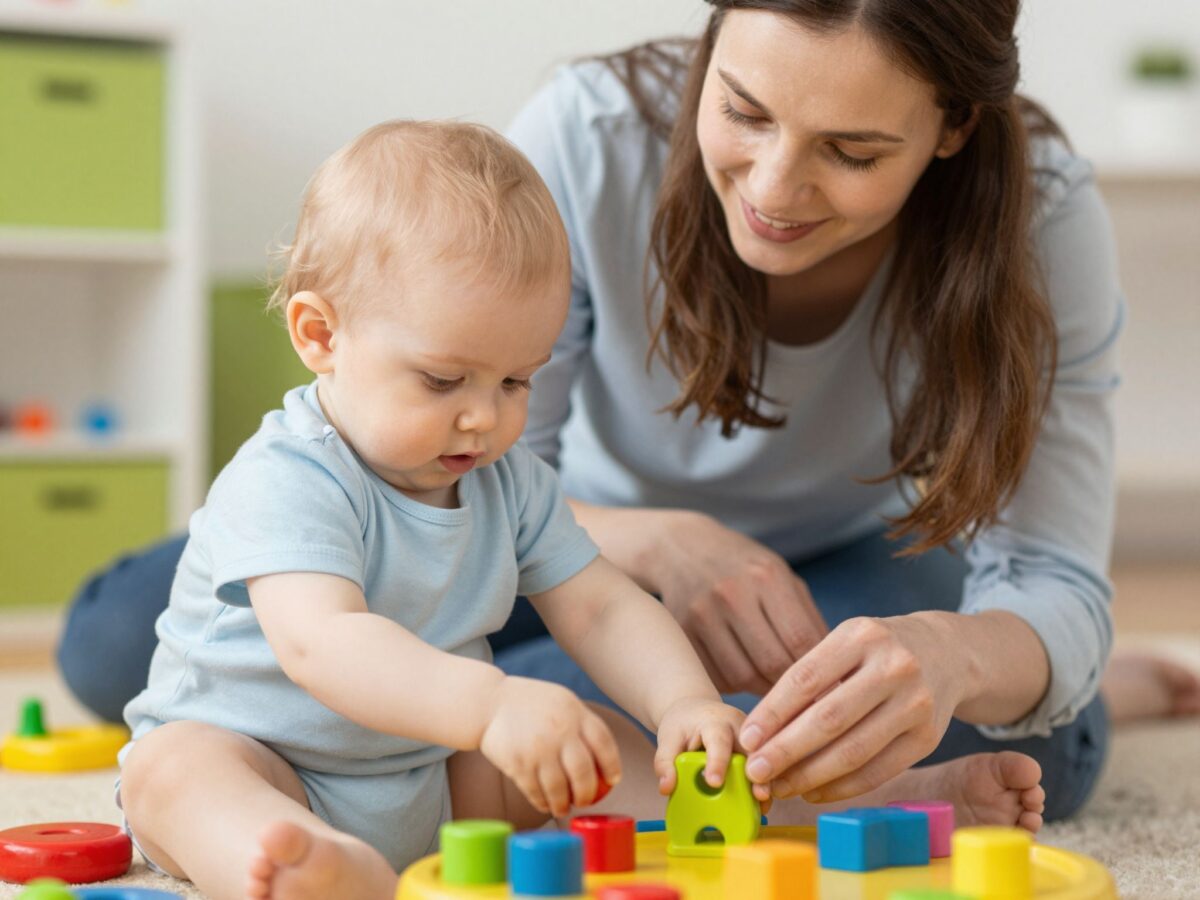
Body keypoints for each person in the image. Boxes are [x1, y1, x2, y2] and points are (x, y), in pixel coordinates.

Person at [59, 0, 1198, 826]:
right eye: (742, 110)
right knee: (141, 647)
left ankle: (1084, 695)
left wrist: (941, 655)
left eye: (852, 152)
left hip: (820, 573)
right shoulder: (590, 136)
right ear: (710, 44)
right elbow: (490, 467)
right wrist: (654, 549)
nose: (774, 189)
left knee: (1000, 736)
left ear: (950, 129)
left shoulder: (1039, 221)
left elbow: (1048, 578)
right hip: (525, 518)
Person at [116, 120, 754, 900]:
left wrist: (683, 701)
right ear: (321, 335)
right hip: (271, 764)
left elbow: (600, 608)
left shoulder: (509, 481)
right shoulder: (286, 477)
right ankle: (306, 866)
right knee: (173, 771)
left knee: (591, 737)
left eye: (516, 381)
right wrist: (491, 704)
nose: (484, 417)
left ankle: (729, 819)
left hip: (435, 775)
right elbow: (323, 644)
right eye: (444, 381)